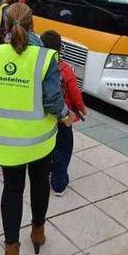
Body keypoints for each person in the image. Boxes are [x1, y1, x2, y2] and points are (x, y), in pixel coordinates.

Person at [0, 3, 72, 255]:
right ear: (33, 25)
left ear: (5, 25)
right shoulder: (45, 56)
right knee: (40, 183)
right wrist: (65, 116)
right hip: (40, 141)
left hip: (7, 142)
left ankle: (11, 248)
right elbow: (53, 101)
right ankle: (37, 232)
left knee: (12, 189)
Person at [40, 30, 87, 197]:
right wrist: (81, 108)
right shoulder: (65, 69)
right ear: (60, 48)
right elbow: (74, 93)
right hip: (62, 117)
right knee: (64, 147)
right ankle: (59, 183)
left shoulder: (36, 67)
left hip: (42, 116)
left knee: (46, 147)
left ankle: (45, 174)